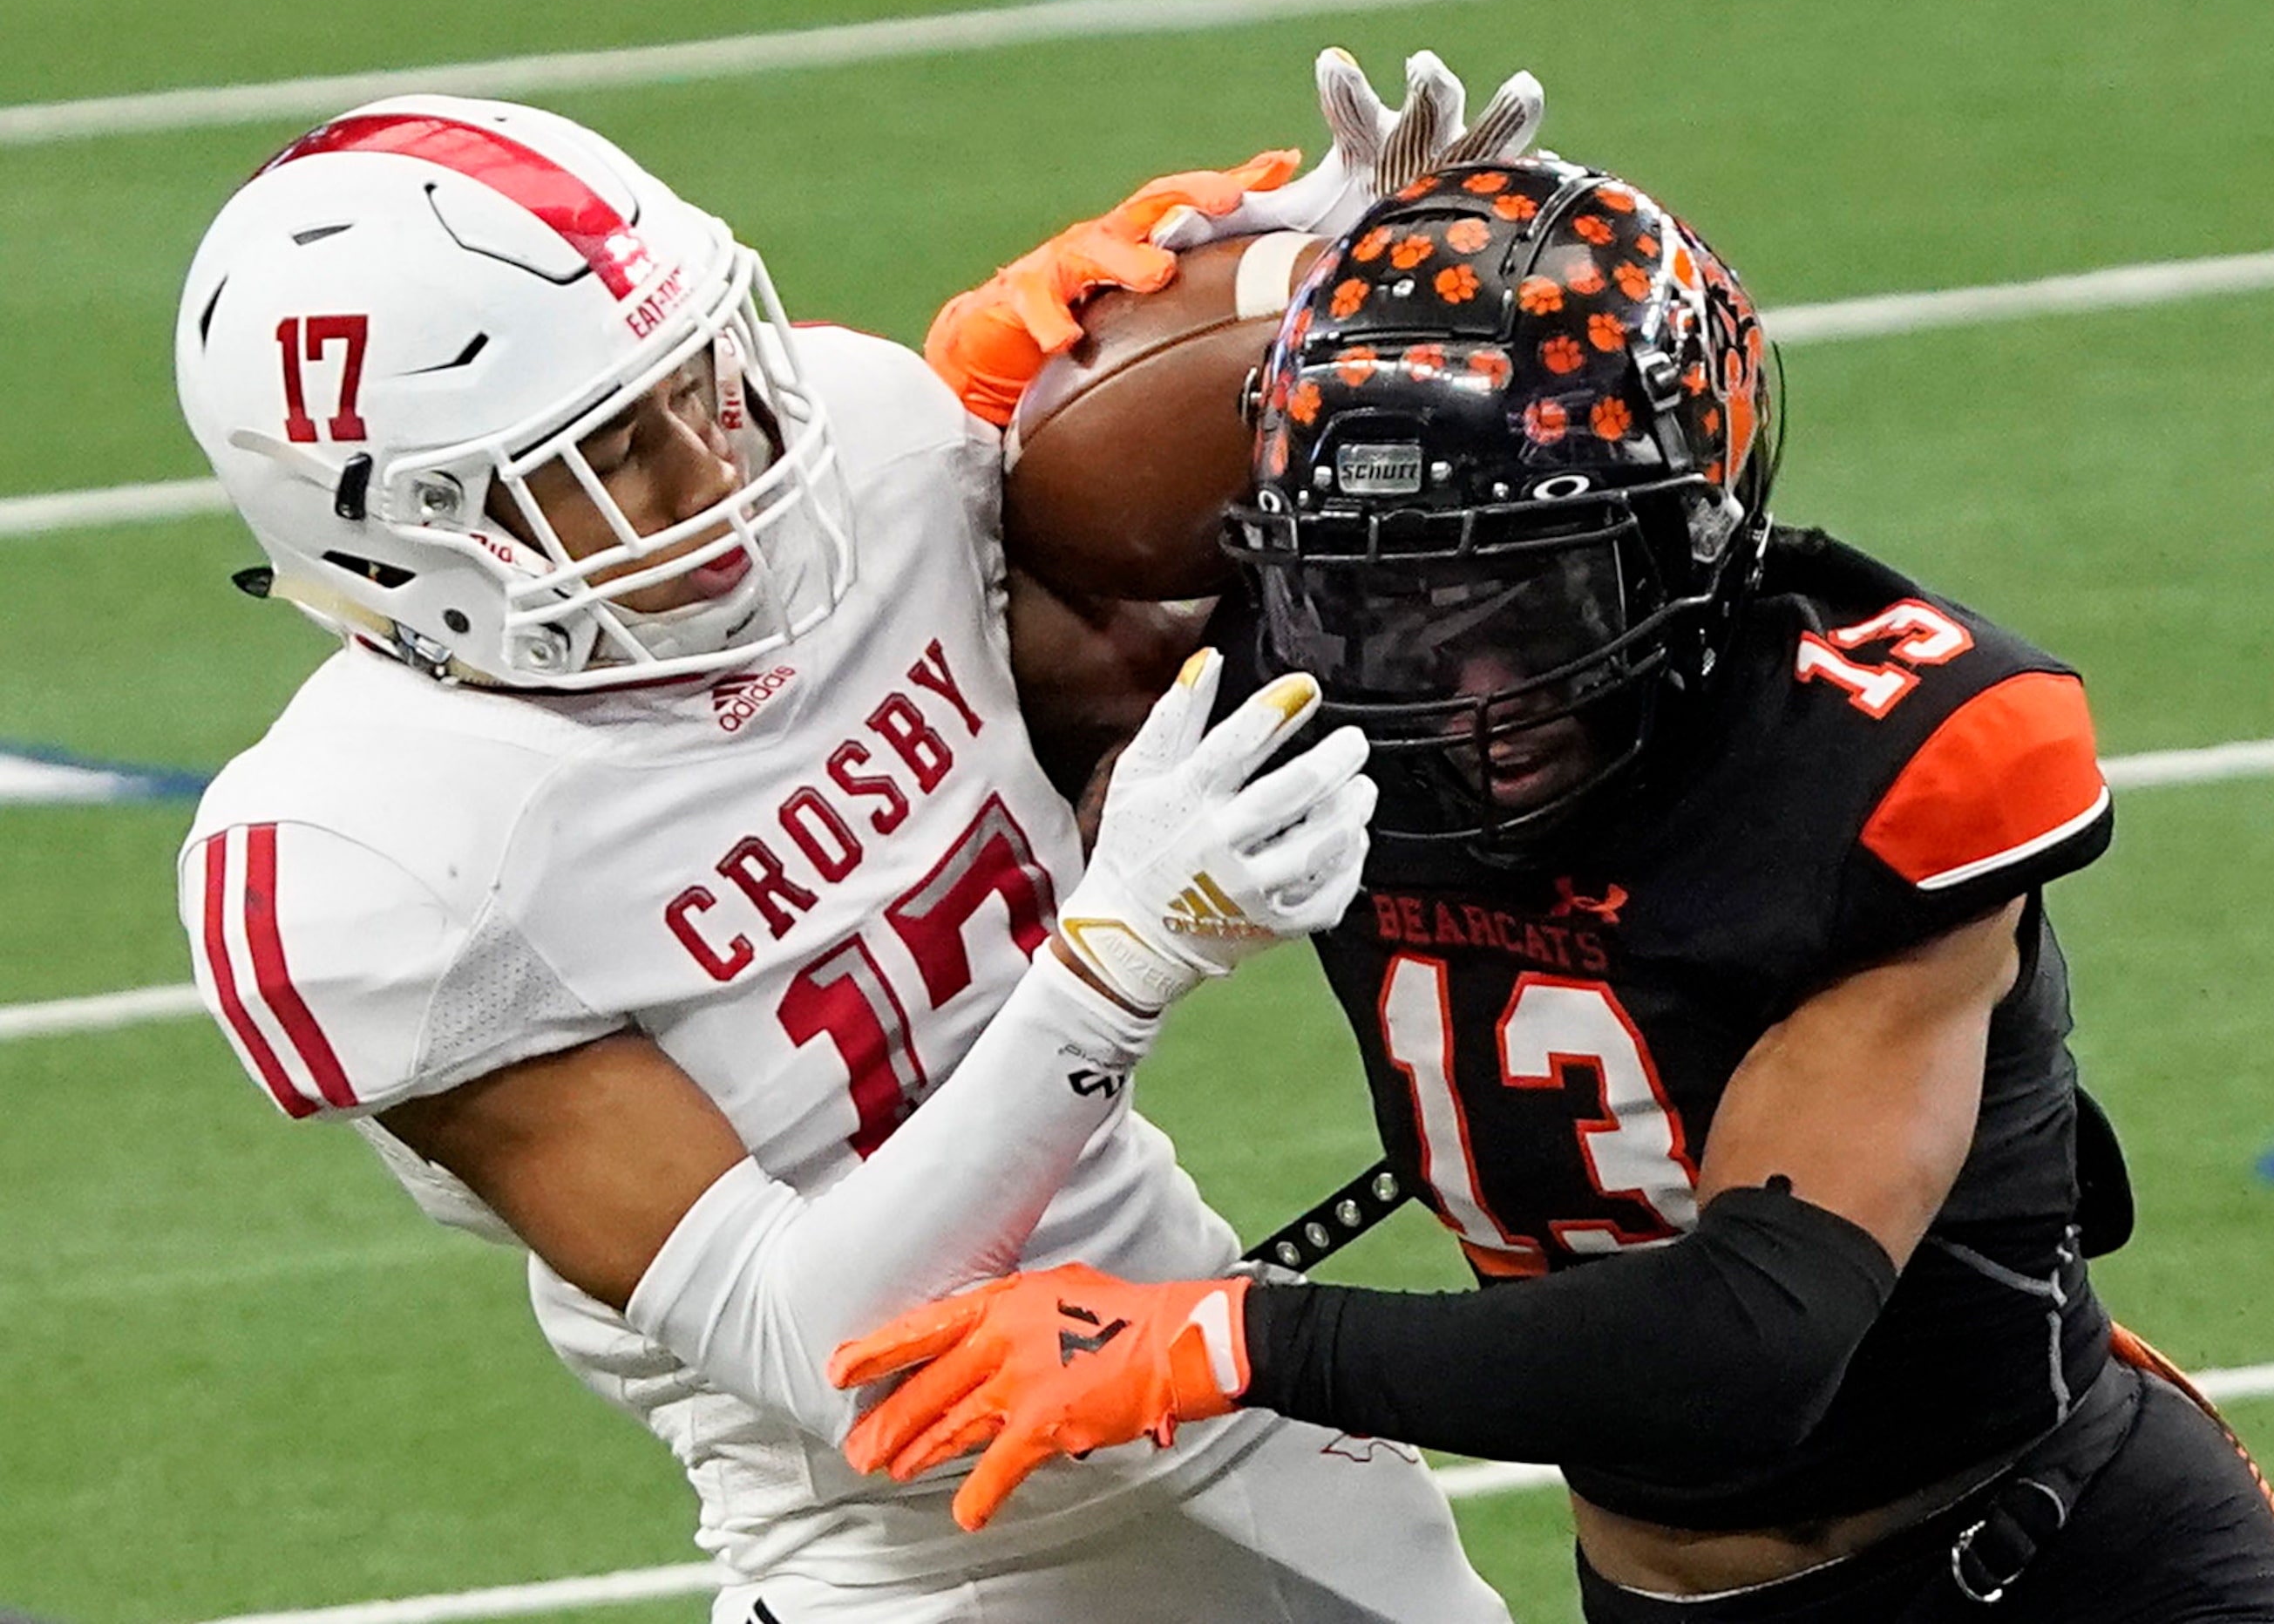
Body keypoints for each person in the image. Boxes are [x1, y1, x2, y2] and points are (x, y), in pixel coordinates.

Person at [832, 159, 2274, 1621]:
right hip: (1658, 1587)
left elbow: (1752, 1337)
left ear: (1687, 536)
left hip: (2044, 1567)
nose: (1459, 677)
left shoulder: (1861, 762)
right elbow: (872, 693)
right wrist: (963, 453)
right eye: (1388, 596)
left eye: (1529, 591)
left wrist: (1225, 1333)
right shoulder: (1312, 660)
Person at [169, 83, 1530, 1623]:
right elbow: (831, 1343)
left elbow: (1150, 654)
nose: (715, 464)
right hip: (907, 1554)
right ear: (410, 537)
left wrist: (1330, 309)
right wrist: (1116, 964)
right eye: (613, 452)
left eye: (702, 373)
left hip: (1203, 1378)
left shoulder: (870, 449)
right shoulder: (368, 853)